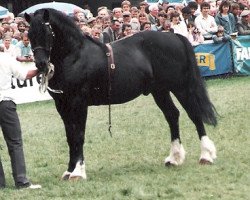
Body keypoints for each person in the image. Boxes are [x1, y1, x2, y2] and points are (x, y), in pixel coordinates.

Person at [0, 46, 41, 189]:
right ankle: (21, 180)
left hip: (5, 101)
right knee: (15, 142)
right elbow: (25, 75)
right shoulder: (6, 58)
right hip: (5, 102)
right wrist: (40, 70)